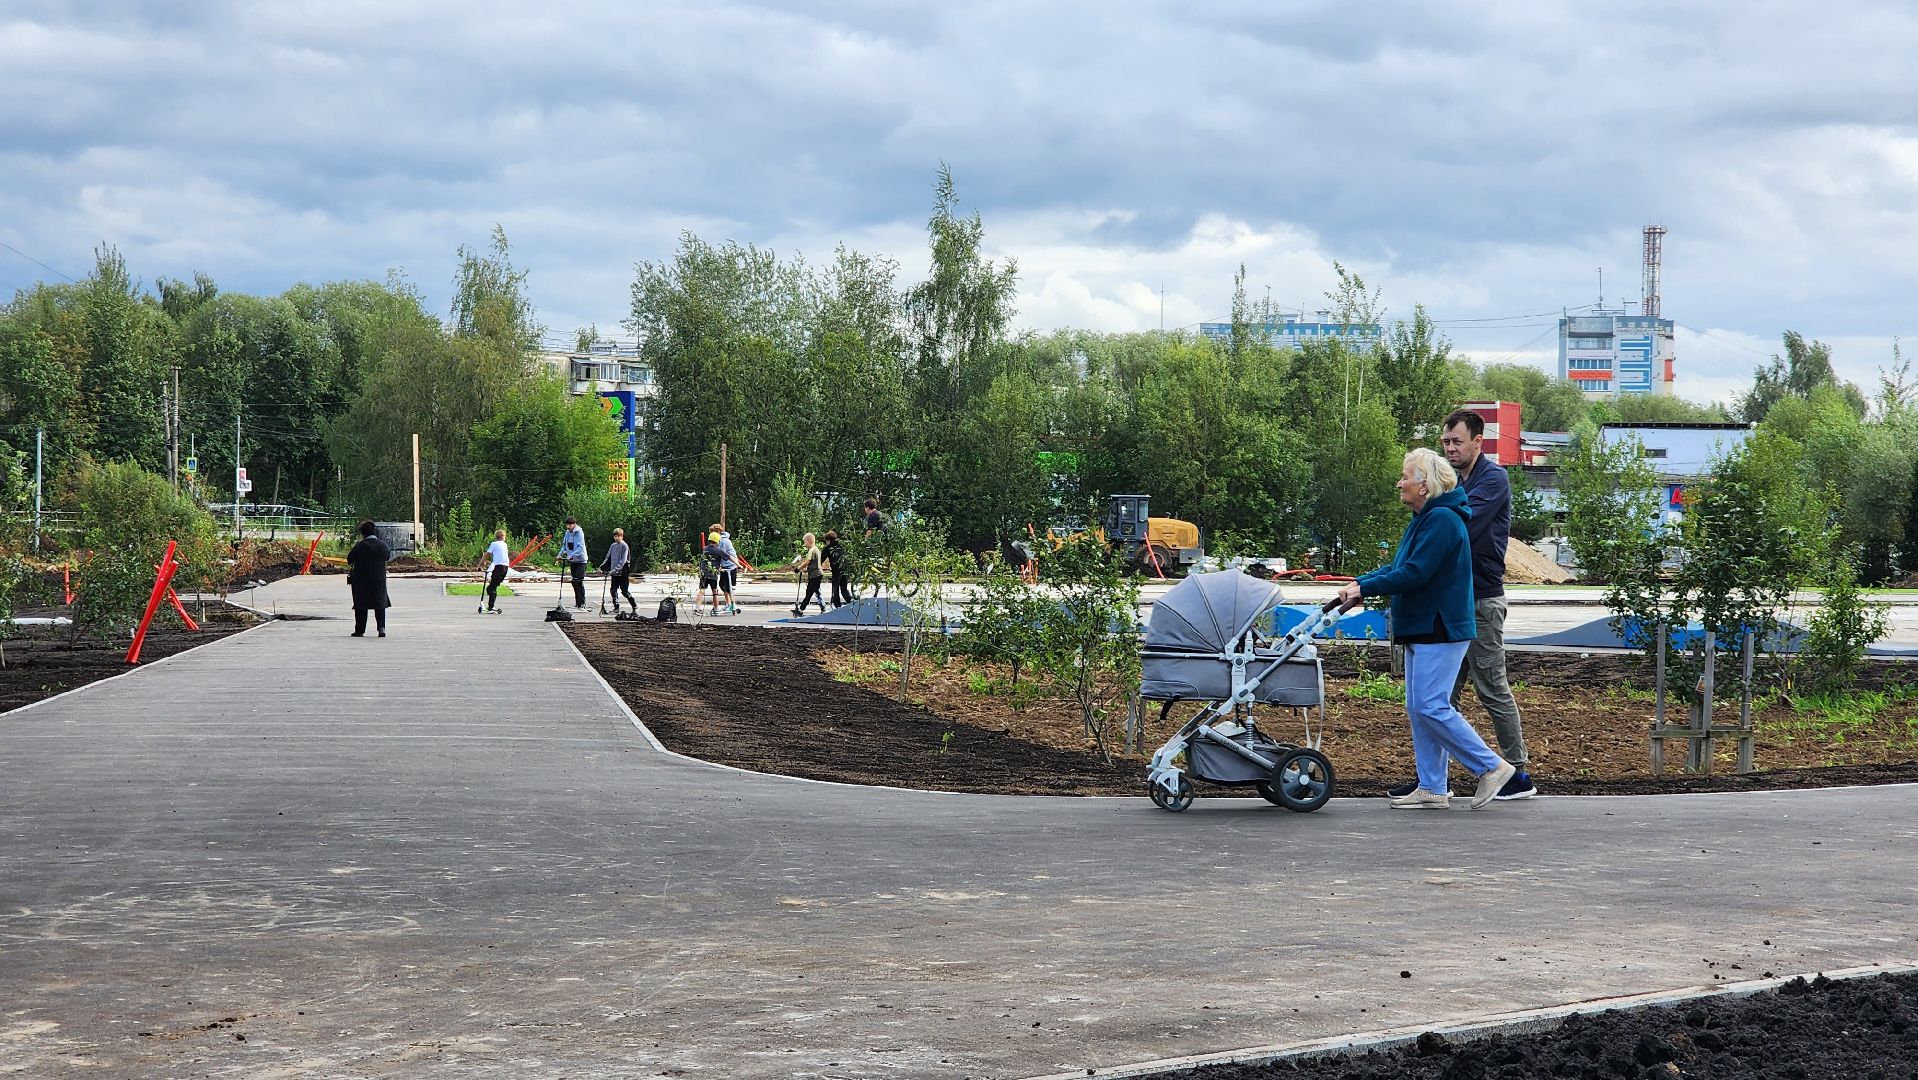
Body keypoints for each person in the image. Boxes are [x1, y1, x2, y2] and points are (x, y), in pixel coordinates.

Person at [1337, 448, 1515, 810]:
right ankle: (1433, 785)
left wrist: (1365, 589)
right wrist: (1360, 584)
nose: (1399, 483)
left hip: (1440, 625)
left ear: (1425, 485)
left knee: (1432, 705)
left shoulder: (1443, 522)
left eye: (1406, 477)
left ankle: (1490, 766)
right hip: (1424, 626)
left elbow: (1416, 574)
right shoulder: (1426, 519)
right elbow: (1398, 566)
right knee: (1420, 707)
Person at [1399, 407, 1535, 801]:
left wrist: (1431, 510)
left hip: (1481, 598)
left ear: (1479, 441)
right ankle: (1432, 781)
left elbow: (1460, 523)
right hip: (1450, 601)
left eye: (1457, 441)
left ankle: (1515, 772)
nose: (1450, 448)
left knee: (1491, 687)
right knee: (1439, 699)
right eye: (1446, 441)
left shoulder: (1492, 480)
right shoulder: (1454, 483)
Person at [346, 519, 391, 638]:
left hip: (362, 581)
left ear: (363, 533)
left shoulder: (360, 546)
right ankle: (381, 628)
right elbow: (387, 557)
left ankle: (360, 630)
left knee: (361, 605)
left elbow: (349, 559)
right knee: (380, 604)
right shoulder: (383, 545)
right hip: (379, 580)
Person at [788, 531, 827, 616]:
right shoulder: (816, 549)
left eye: (805, 542)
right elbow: (814, 563)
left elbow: (807, 562)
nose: (804, 544)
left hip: (815, 575)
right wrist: (807, 569)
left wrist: (798, 568)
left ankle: (801, 610)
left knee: (809, 592)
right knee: (816, 591)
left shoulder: (812, 550)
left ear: (809, 541)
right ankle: (823, 608)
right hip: (817, 573)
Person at [600, 528, 636, 613]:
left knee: (624, 591)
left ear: (622, 536)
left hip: (623, 572)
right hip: (614, 573)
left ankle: (634, 605)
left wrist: (615, 570)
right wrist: (602, 567)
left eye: (618, 536)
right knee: (613, 589)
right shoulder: (613, 546)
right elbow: (608, 558)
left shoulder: (624, 546)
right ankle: (616, 607)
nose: (617, 538)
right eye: (615, 536)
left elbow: (623, 561)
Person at [558, 517, 589, 610]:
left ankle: (582, 602)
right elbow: (565, 545)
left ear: (574, 524)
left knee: (578, 581)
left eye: (570, 525)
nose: (568, 527)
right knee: (574, 582)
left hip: (580, 560)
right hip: (572, 560)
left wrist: (572, 555)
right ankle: (577, 602)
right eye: (567, 525)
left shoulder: (579, 533)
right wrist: (560, 554)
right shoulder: (567, 533)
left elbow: (580, 548)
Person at [478, 528, 510, 614]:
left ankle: (491, 607)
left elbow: (487, 554)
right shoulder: (504, 544)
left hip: (499, 567)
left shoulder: (494, 544)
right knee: (493, 586)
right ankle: (491, 606)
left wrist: (480, 564)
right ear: (503, 537)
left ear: (496, 537)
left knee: (490, 588)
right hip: (505, 568)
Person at [710, 523, 739, 615]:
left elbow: (719, 553)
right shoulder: (721, 540)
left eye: (712, 532)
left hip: (730, 565)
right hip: (725, 565)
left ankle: (733, 604)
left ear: (717, 531)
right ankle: (729, 603)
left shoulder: (723, 541)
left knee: (728, 586)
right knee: (722, 584)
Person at [823, 530, 852, 608]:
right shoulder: (842, 545)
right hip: (845, 569)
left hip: (836, 569)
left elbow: (821, 559)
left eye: (826, 541)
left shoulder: (828, 547)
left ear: (828, 540)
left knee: (835, 589)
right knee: (844, 588)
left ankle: (837, 605)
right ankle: (851, 602)